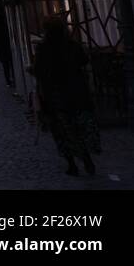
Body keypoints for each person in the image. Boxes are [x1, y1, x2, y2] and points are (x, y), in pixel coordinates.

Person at [32, 17, 100, 177]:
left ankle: (72, 164)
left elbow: (38, 70)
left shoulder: (44, 48)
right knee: (79, 128)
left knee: (62, 131)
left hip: (56, 96)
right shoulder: (72, 45)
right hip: (77, 93)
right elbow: (83, 61)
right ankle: (86, 159)